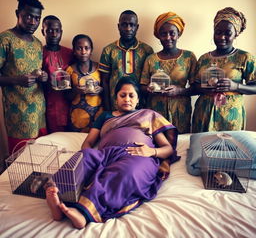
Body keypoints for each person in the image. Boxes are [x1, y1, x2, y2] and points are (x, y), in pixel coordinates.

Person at [45, 76, 179, 229]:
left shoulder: (147, 115)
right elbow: (89, 142)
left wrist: (151, 151)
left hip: (137, 155)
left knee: (126, 173)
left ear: (137, 100)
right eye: (122, 95)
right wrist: (86, 155)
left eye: (131, 95)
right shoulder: (105, 116)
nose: (127, 99)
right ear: (116, 98)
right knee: (84, 157)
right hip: (106, 153)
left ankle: (84, 213)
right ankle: (57, 198)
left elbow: (168, 149)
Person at [191, 7, 256, 132]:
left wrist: (236, 86)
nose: (222, 37)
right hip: (203, 113)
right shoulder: (204, 59)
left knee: (229, 149)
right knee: (202, 148)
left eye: (228, 33)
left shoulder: (245, 57)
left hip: (230, 116)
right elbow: (194, 87)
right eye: (218, 32)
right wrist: (205, 87)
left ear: (236, 33)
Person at [0, 0, 48, 154]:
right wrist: (16, 79)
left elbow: (37, 70)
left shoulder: (37, 43)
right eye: (28, 16)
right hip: (18, 116)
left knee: (42, 157)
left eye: (37, 18)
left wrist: (43, 77)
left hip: (40, 113)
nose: (33, 22)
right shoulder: (5, 40)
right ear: (17, 13)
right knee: (22, 163)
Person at [140, 12, 197, 134]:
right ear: (158, 35)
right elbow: (142, 86)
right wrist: (149, 88)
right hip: (156, 112)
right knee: (158, 145)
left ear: (178, 34)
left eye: (172, 33)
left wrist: (180, 91)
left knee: (181, 145)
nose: (168, 37)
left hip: (180, 112)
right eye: (163, 34)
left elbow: (197, 88)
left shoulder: (189, 57)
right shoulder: (151, 59)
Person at [99, 10, 153, 110]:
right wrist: (107, 109)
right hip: (115, 107)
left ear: (137, 27)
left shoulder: (147, 50)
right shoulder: (108, 50)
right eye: (124, 25)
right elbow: (104, 81)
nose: (128, 29)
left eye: (132, 25)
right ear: (118, 26)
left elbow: (150, 81)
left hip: (140, 107)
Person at [41, 15, 73, 133]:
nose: (54, 34)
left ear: (61, 32)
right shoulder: (39, 53)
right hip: (50, 103)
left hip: (70, 102)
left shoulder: (70, 53)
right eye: (49, 31)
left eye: (57, 31)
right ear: (43, 32)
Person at [66, 34, 103, 132]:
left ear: (91, 50)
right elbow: (66, 96)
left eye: (87, 48)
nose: (83, 52)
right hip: (78, 116)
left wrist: (101, 89)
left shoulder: (99, 67)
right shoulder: (70, 70)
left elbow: (107, 87)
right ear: (74, 51)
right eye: (79, 48)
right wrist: (76, 91)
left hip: (98, 114)